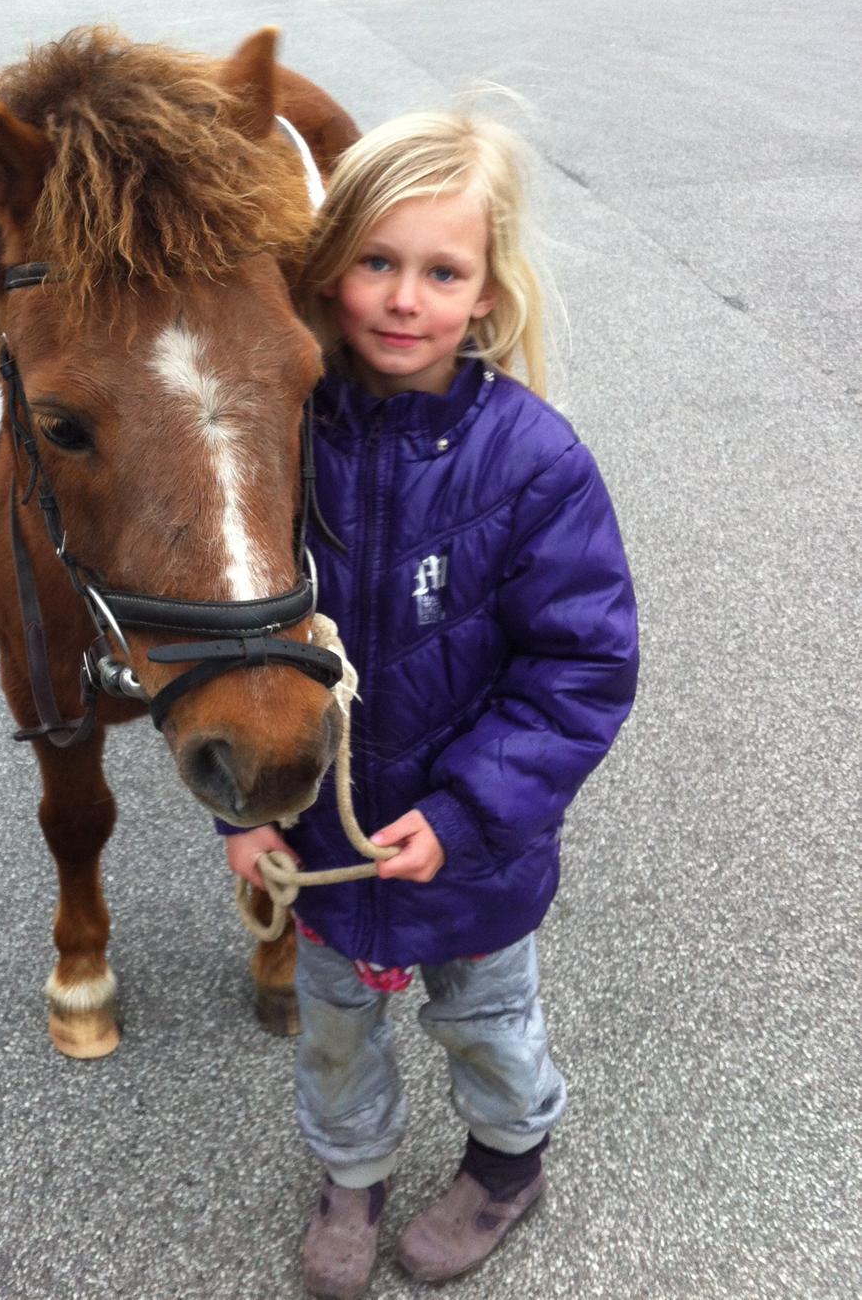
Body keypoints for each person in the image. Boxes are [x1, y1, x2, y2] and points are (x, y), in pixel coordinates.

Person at [221, 111, 639, 1299]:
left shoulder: (534, 460)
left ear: (488, 292)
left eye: (443, 272)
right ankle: (351, 1175)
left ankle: (508, 1164)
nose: (406, 299)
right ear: (328, 270)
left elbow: (580, 671)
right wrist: (243, 812)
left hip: (475, 856)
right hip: (322, 850)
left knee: (487, 1024)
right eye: (377, 262)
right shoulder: (282, 438)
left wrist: (465, 816)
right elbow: (239, 641)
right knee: (333, 1034)